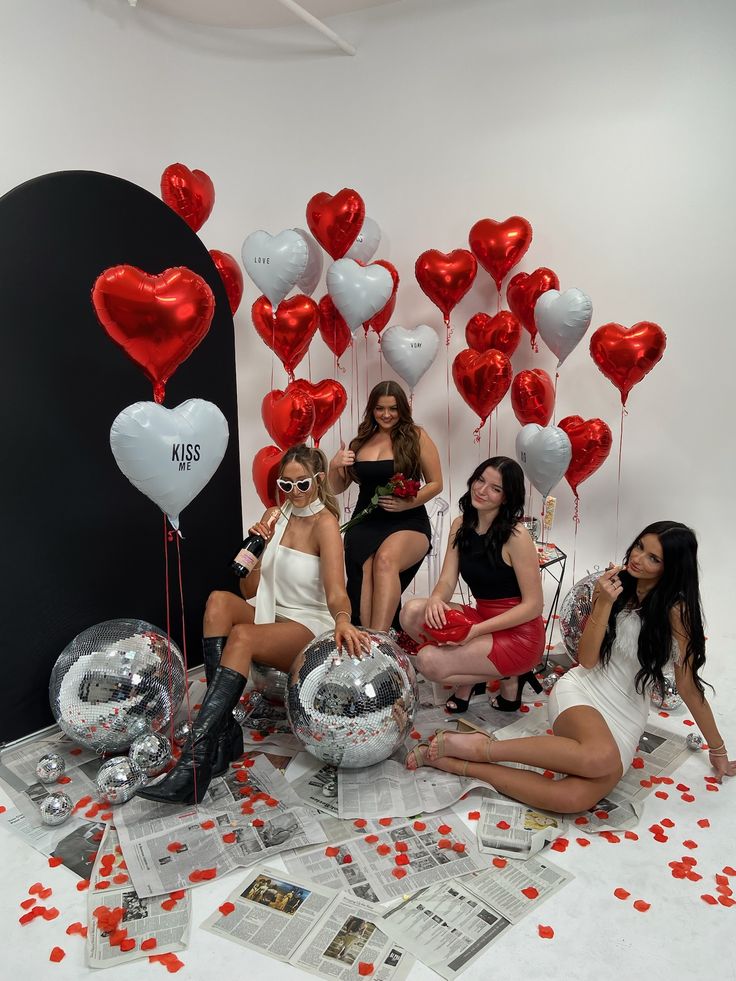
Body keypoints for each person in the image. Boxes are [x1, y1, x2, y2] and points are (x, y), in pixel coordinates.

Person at [406, 521, 736, 812]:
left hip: (627, 711)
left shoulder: (678, 612)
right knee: (599, 757)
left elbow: (689, 687)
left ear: (671, 569)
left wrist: (718, 749)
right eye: (639, 546)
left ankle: (457, 764)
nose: (637, 558)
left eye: (653, 557)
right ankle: (483, 748)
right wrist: (603, 602)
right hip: (584, 689)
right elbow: (588, 660)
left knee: (573, 799)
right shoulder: (612, 586)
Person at [139, 444, 370, 805]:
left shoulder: (325, 522)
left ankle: (195, 765)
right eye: (286, 484)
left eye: (302, 484)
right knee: (218, 600)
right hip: (270, 612)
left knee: (243, 635)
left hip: (308, 622)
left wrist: (343, 619)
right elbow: (248, 588)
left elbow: (337, 591)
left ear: (319, 480)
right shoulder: (275, 515)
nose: (294, 493)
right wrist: (259, 548)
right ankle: (225, 735)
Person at [400, 457, 545, 713]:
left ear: (507, 497)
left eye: (495, 488)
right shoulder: (461, 524)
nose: (481, 490)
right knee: (412, 611)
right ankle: (476, 671)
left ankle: (504, 675)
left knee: (429, 661)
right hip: (481, 617)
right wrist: (436, 599)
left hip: (517, 634)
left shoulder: (516, 536)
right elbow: (447, 579)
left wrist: (475, 632)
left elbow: (533, 606)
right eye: (480, 480)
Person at [328, 380, 442, 631]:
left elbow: (436, 484)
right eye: (380, 408)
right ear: (372, 409)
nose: (387, 414)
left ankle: (382, 642)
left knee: (386, 560)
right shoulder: (360, 441)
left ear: (402, 409)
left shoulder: (416, 436)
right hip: (365, 521)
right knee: (366, 573)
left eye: (393, 408)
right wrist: (335, 465)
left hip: (407, 521)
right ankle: (367, 641)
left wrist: (407, 503)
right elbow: (336, 488)